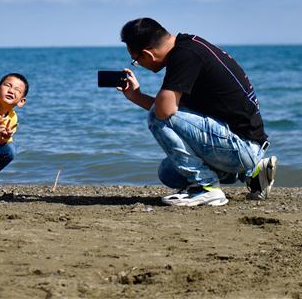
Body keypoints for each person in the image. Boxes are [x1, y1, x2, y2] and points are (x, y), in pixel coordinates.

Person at [117, 18, 277, 207]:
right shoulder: (189, 47)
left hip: (241, 147)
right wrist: (136, 96)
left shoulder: (185, 56)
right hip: (245, 145)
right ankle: (254, 173)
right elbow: (177, 114)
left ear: (147, 54)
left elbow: (163, 112)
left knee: (156, 116)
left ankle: (206, 187)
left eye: (136, 60)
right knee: (168, 172)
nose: (138, 64)